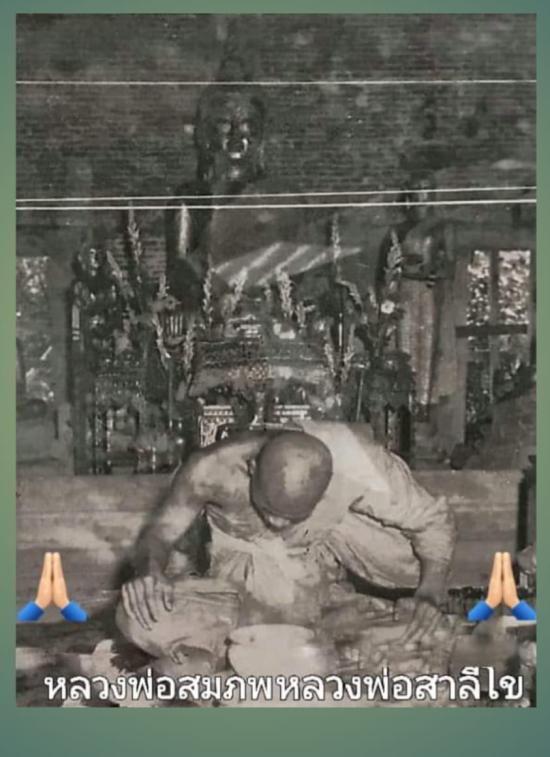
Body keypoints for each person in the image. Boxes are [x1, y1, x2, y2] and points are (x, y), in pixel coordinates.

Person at [116, 421, 456, 670]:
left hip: (318, 580)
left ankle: (252, 650)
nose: (277, 525)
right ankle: (326, 645)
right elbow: (158, 535)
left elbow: (433, 519)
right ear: (251, 468)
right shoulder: (210, 468)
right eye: (269, 511)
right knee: (136, 617)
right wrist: (148, 571)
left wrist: (430, 592)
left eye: (292, 517)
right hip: (239, 589)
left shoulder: (355, 460)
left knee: (434, 630)